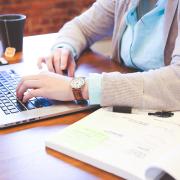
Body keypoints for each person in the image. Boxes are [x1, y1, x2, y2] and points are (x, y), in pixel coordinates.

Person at [16, 0, 180, 111]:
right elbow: (81, 27)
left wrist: (79, 88)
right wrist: (64, 48)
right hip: (127, 108)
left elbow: (176, 83)